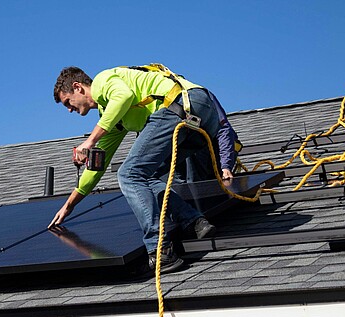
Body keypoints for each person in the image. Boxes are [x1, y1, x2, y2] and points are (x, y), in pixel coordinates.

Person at [49, 65, 230, 273]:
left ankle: (160, 250)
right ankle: (194, 221)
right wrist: (69, 205)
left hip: (180, 104)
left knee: (129, 174)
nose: (70, 110)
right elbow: (98, 167)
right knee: (145, 177)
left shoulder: (102, 82)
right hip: (202, 117)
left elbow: (123, 96)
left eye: (67, 103)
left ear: (78, 87)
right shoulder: (112, 118)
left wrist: (89, 141)